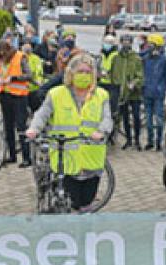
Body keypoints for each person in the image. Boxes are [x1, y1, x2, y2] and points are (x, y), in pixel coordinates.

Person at [25, 53, 113, 212]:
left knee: (86, 202)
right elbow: (42, 114)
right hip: (65, 157)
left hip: (92, 157)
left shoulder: (101, 95)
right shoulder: (56, 94)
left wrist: (101, 131)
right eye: (80, 71)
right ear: (71, 73)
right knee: (71, 201)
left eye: (88, 72)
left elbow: (107, 119)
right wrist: (34, 129)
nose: (84, 75)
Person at [0, 40, 32, 168]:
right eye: (0, 54)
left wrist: (13, 78)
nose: (2, 56)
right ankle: (12, 155)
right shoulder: (0, 60)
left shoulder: (20, 57)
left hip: (19, 96)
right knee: (8, 127)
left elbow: (29, 75)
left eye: (4, 53)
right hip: (5, 95)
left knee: (21, 126)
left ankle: (27, 157)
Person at [112, 34, 143, 150]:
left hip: (134, 93)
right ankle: (128, 139)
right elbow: (114, 75)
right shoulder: (117, 58)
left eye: (128, 41)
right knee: (124, 118)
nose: (126, 43)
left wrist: (134, 83)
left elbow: (140, 75)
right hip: (122, 93)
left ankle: (137, 140)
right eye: (124, 41)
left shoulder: (136, 58)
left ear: (131, 43)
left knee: (136, 117)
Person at [141, 34, 166, 151]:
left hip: (158, 94)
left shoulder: (163, 60)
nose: (149, 46)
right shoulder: (146, 58)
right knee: (148, 120)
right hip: (147, 92)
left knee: (159, 119)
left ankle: (158, 142)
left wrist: (165, 89)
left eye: (151, 44)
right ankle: (150, 141)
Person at [98, 35, 121, 142]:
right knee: (100, 109)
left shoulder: (116, 55)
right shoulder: (102, 54)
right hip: (102, 84)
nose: (107, 44)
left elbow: (117, 71)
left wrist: (109, 74)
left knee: (111, 110)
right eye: (106, 42)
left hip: (113, 85)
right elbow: (99, 66)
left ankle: (111, 133)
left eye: (109, 42)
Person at [23, 39, 44, 113]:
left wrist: (39, 81)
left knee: (34, 107)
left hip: (34, 87)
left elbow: (39, 71)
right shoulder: (20, 58)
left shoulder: (36, 58)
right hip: (24, 88)